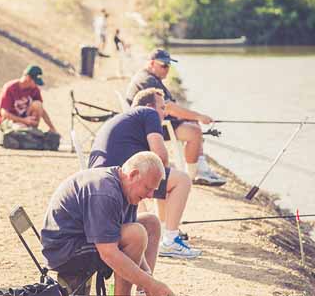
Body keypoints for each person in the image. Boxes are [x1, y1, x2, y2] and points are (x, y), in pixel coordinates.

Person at [88, 88, 202, 259]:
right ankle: (170, 240)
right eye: (162, 108)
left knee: (162, 177)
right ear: (150, 105)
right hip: (120, 175)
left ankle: (165, 231)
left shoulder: (127, 118)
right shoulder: (149, 113)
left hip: (100, 177)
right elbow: (160, 156)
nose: (165, 113)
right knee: (182, 180)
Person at [41, 152, 176, 296]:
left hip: (84, 238)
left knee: (151, 223)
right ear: (133, 174)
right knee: (136, 234)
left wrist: (146, 275)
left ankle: (142, 293)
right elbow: (108, 253)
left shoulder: (127, 188)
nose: (150, 196)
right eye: (148, 188)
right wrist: (152, 284)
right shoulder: (105, 192)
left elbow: (133, 244)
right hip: (65, 251)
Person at [126, 49, 226, 186]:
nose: (167, 69)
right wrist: (200, 116)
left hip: (158, 121)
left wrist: (194, 118)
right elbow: (169, 108)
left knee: (193, 123)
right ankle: (192, 176)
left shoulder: (151, 78)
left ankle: (201, 169)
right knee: (195, 132)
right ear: (151, 63)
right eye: (164, 65)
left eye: (169, 65)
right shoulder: (147, 80)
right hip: (152, 126)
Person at [0, 65, 59, 134]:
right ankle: (26, 131)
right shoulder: (10, 88)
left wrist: (52, 128)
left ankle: (31, 130)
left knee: (38, 104)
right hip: (9, 121)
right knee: (20, 129)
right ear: (28, 78)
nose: (36, 85)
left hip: (25, 120)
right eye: (35, 82)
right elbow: (4, 113)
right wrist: (23, 120)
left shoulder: (34, 89)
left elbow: (41, 110)